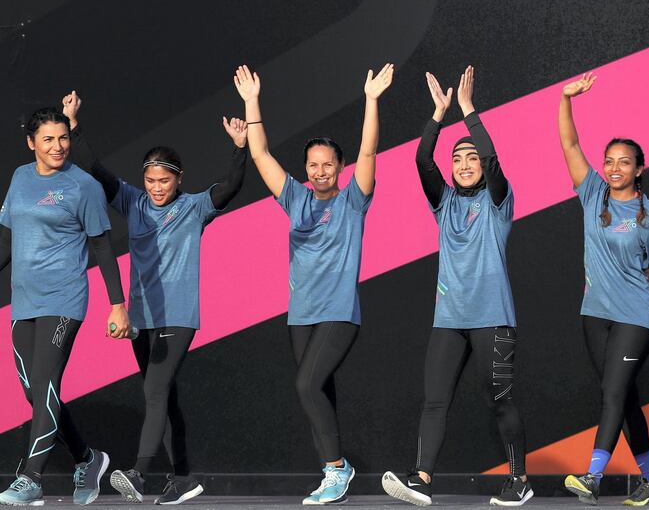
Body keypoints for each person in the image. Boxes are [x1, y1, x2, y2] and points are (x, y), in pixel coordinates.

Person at [63, 91, 247, 505]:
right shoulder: (133, 201)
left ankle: (139, 472)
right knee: (165, 397)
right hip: (142, 318)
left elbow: (232, 185)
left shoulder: (195, 207)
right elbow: (95, 170)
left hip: (179, 316)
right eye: (151, 181)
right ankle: (183, 477)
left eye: (165, 181)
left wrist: (240, 148)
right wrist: (73, 124)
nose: (157, 188)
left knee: (155, 392)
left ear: (179, 178)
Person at [233, 63, 393, 505]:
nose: (320, 171)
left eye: (328, 164)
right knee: (316, 391)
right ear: (306, 168)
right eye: (313, 165)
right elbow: (262, 156)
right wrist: (252, 102)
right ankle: (332, 469)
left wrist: (371, 100)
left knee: (306, 386)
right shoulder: (296, 199)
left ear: (339, 167)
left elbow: (368, 152)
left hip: (339, 313)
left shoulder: (353, 202)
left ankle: (336, 470)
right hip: (300, 316)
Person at [381, 66, 532, 507]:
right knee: (434, 401)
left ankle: (519, 479)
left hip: (493, 321)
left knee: (499, 401)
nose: (464, 165)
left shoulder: (499, 201)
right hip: (449, 320)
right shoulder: (444, 203)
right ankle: (421, 480)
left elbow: (493, 162)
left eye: (470, 160)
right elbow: (421, 161)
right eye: (457, 160)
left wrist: (468, 113)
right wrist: (437, 115)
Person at [558, 73, 649, 506]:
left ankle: (592, 477)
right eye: (609, 160)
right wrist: (565, 99)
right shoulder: (593, 194)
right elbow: (570, 146)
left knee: (613, 393)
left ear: (639, 168)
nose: (614, 168)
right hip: (595, 315)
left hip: (636, 319)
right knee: (623, 396)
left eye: (624, 161)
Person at [0, 106, 130, 506]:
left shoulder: (83, 186)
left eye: (63, 138)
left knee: (44, 385)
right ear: (31, 143)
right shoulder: (21, 178)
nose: (58, 147)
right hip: (24, 300)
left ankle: (31, 479)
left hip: (64, 299)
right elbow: (6, 239)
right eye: (48, 140)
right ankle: (87, 459)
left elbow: (101, 245)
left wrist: (117, 304)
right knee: (36, 392)